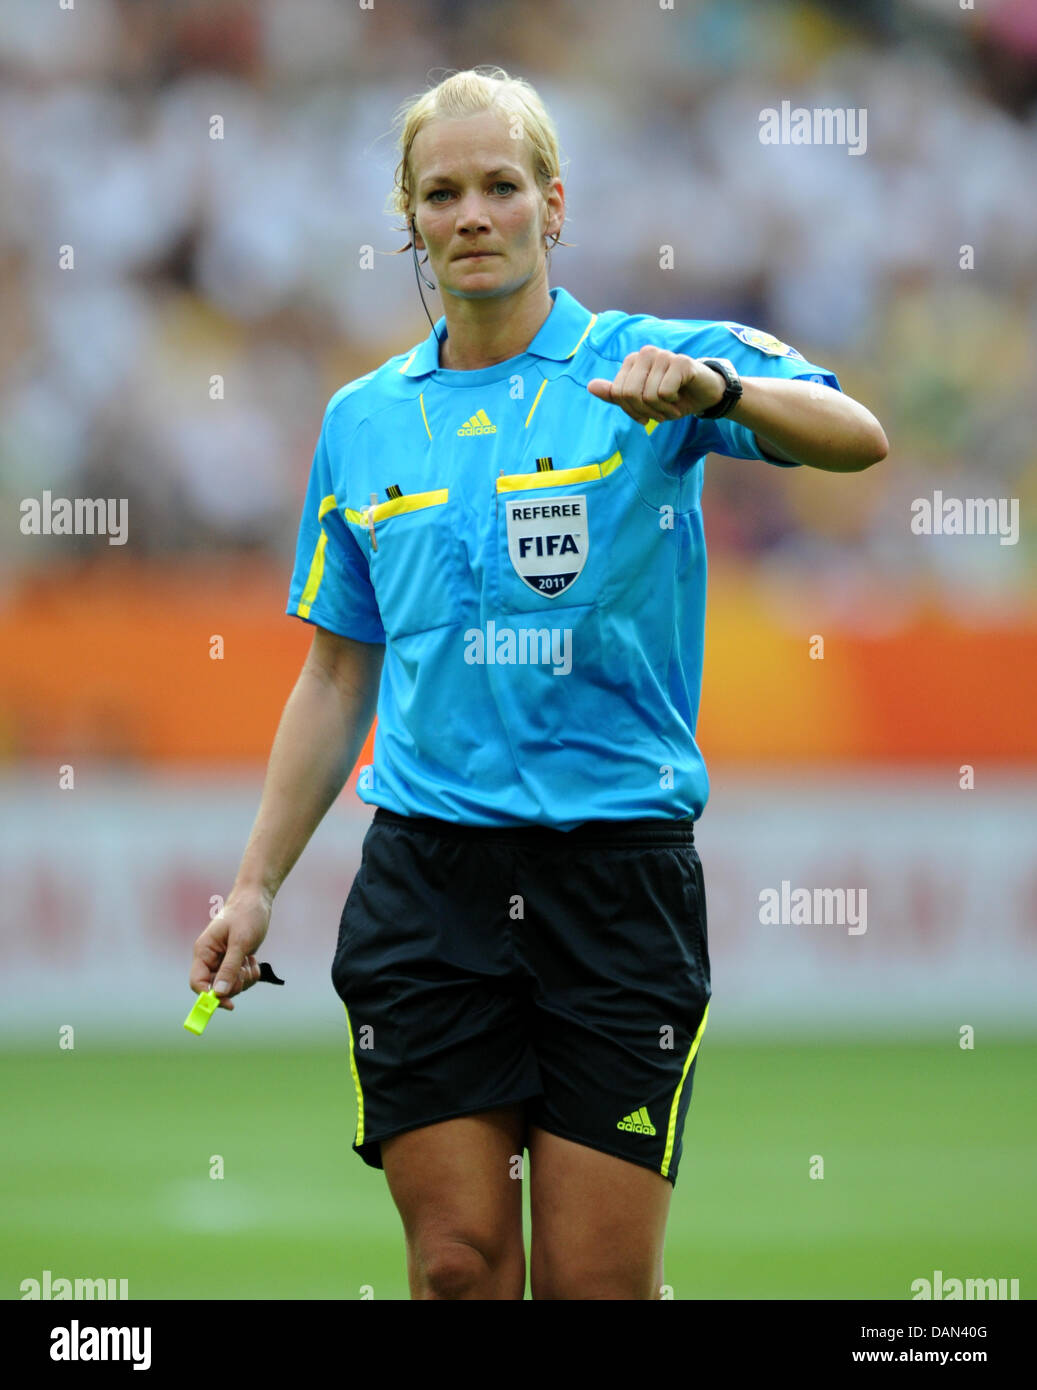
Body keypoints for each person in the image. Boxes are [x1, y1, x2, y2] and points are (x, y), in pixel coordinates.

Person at [189, 65, 887, 1301]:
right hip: (428, 883)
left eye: (500, 187)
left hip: (615, 879)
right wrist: (254, 886)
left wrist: (717, 394)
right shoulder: (362, 419)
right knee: (455, 1268)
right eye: (441, 192)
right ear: (408, 219)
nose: (472, 214)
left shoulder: (646, 364)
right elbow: (337, 669)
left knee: (593, 1287)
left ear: (552, 206)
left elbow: (852, 433)